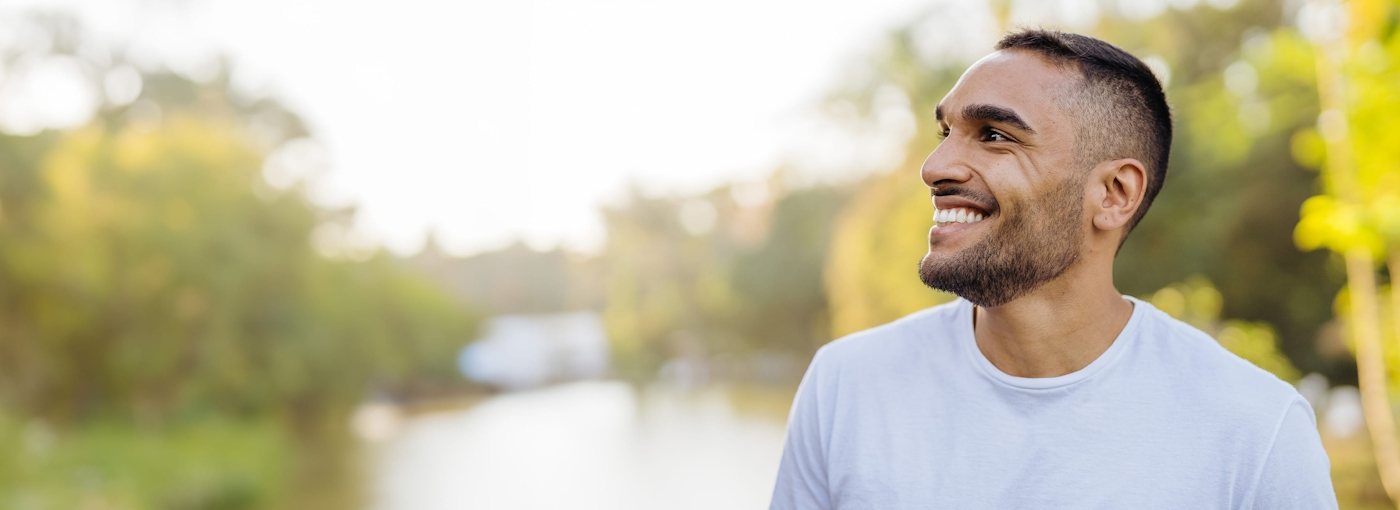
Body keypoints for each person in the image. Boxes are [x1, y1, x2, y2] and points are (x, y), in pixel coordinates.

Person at [769, 29, 1337, 509]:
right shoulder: (845, 386)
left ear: (1114, 194)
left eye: (995, 136)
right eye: (946, 132)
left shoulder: (1257, 431)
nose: (934, 166)